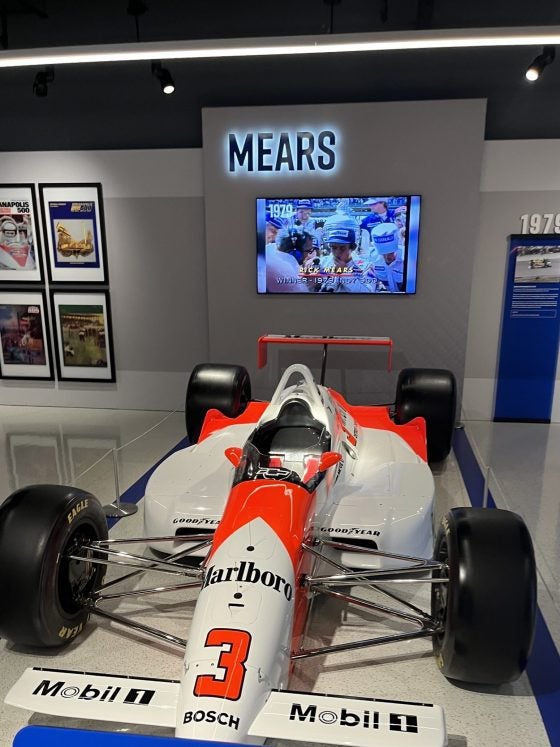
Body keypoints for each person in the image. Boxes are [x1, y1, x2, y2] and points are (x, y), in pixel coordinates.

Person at [313, 226, 377, 293]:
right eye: (334, 248)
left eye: (342, 248)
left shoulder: (366, 267)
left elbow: (368, 292)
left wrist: (344, 273)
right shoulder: (322, 263)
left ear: (353, 247)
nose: (337, 252)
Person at [265, 228, 312, 293]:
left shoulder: (270, 252)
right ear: (296, 254)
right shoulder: (285, 273)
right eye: (308, 251)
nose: (309, 256)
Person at [369, 223, 404, 292]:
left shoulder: (408, 257)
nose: (388, 256)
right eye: (383, 253)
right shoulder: (371, 259)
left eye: (391, 252)